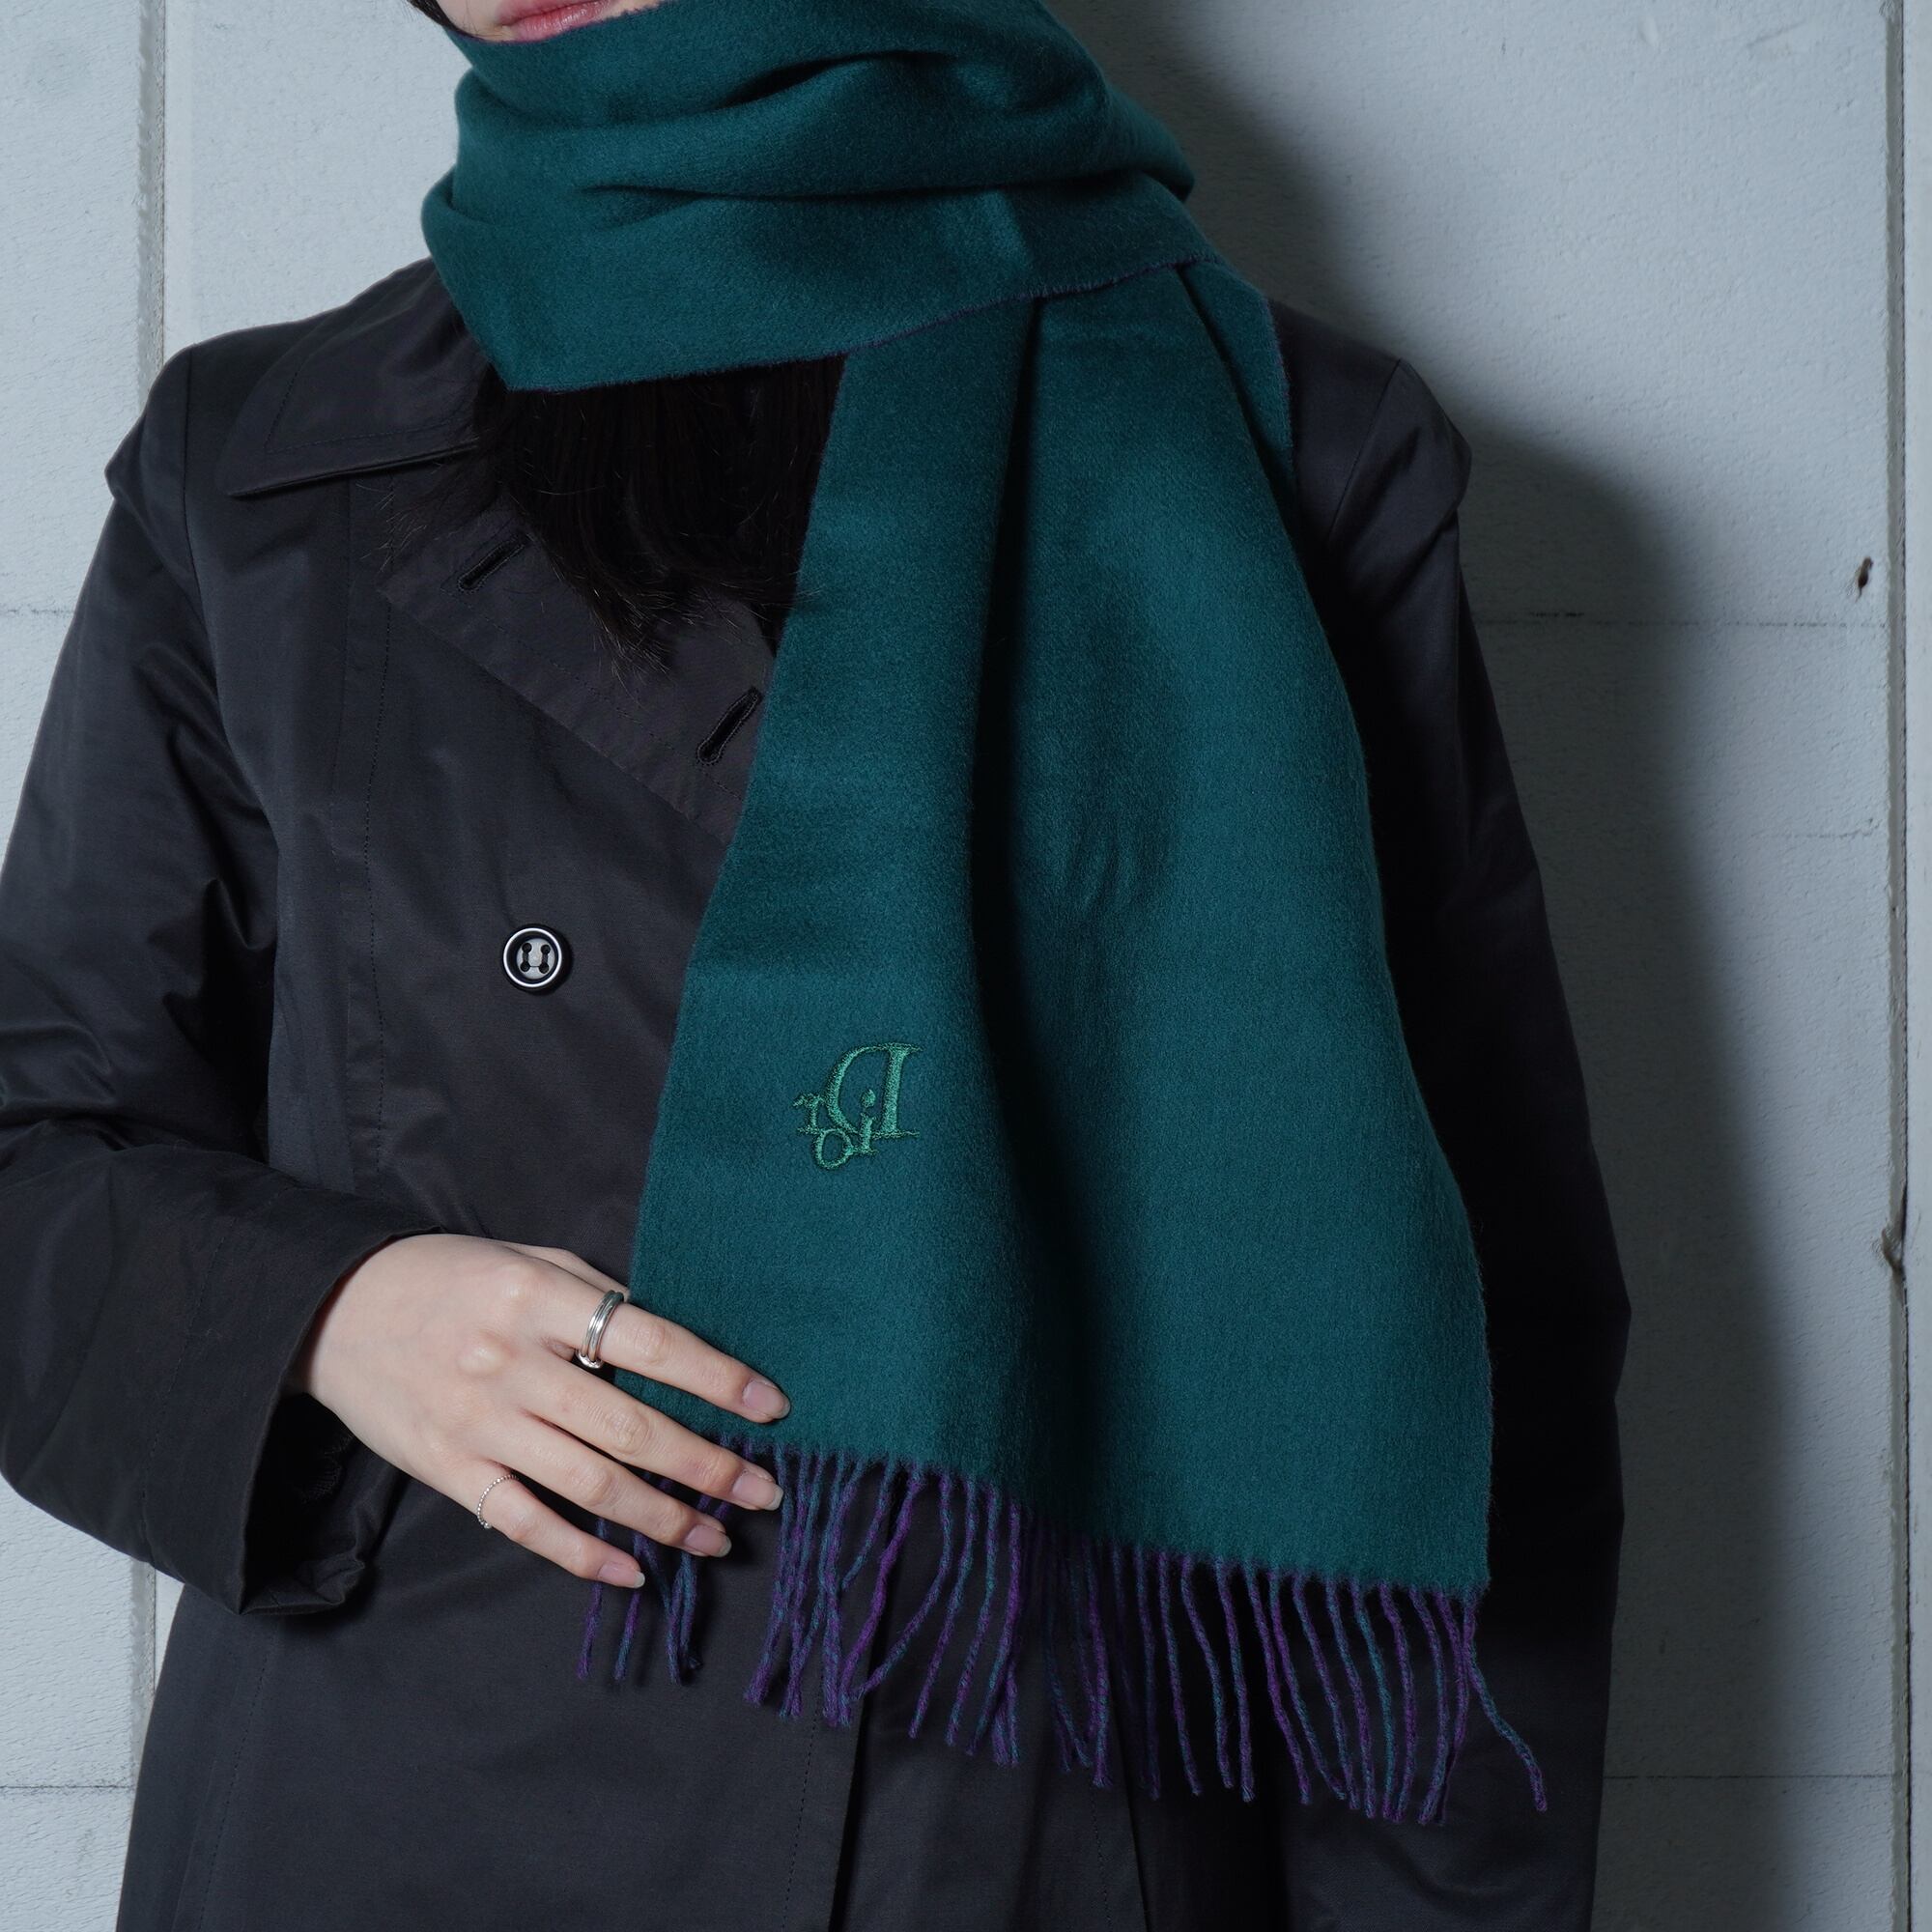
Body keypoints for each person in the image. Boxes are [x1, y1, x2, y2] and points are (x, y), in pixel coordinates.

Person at [0, 0, 1630, 1925]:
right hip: (401, 1796)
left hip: (1023, 1827)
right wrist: (333, 1315)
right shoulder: (259, 464)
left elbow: (1468, 1355)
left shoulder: (1285, 445)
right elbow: (33, 1148)